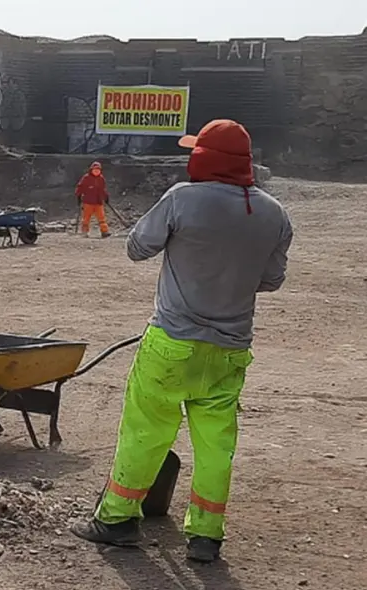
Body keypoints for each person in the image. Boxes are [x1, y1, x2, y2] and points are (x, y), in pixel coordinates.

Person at [70, 119, 293, 563]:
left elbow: (137, 248)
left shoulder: (182, 199)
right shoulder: (274, 213)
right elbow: (271, 280)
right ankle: (206, 537)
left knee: (145, 432)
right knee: (216, 445)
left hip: (171, 345)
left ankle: (116, 520)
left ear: (204, 158)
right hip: (230, 351)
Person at [75, 161, 111, 238]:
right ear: (91, 170)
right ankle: (84, 232)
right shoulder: (86, 178)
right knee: (86, 218)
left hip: (98, 202)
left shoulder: (101, 179)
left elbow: (103, 189)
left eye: (98, 170)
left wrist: (106, 197)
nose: (96, 171)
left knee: (102, 217)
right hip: (88, 202)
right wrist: (78, 196)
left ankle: (104, 232)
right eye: (95, 170)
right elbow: (80, 187)